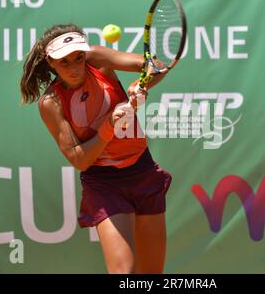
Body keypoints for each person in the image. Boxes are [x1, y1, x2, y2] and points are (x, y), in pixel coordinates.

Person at [19, 23, 172, 274]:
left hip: (143, 170)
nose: (74, 67)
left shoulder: (98, 60)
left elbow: (156, 66)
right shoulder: (51, 102)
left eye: (78, 58)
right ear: (50, 62)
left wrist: (141, 85)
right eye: (64, 62)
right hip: (103, 184)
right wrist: (110, 124)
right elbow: (79, 159)